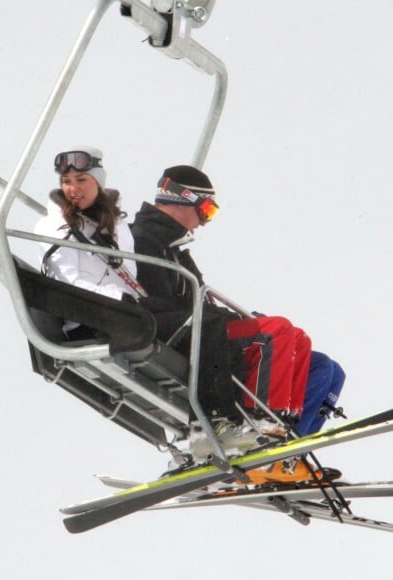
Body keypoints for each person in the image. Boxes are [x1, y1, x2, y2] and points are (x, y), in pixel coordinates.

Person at [130, 165, 343, 482]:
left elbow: (200, 300)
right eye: (206, 209)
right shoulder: (144, 239)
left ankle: (288, 451)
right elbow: (162, 301)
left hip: (206, 324)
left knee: (322, 364)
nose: (204, 221)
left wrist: (237, 318)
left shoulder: (175, 250)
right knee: (277, 331)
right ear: (180, 197)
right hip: (185, 331)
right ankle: (260, 432)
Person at [34, 146, 139, 340]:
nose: (73, 189)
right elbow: (68, 284)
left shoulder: (117, 225)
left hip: (123, 315)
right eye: (66, 182)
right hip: (87, 322)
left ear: (98, 182)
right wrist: (119, 299)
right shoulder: (54, 227)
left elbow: (130, 278)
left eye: (81, 180)